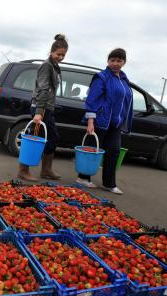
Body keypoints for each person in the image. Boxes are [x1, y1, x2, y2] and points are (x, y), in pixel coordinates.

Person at [76, 48, 133, 195]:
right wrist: (90, 122)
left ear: (124, 62)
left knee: (113, 152)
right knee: (92, 149)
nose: (115, 63)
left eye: (119, 61)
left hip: (115, 123)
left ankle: (109, 183)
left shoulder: (124, 80)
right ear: (108, 61)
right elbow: (92, 99)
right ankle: (83, 178)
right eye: (112, 60)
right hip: (100, 120)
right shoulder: (102, 77)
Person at [17, 34, 68, 181]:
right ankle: (23, 170)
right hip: (41, 107)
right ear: (52, 52)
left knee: (52, 138)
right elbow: (43, 89)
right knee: (33, 138)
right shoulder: (47, 66)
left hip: (47, 108)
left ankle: (46, 170)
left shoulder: (54, 66)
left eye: (63, 55)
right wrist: (39, 112)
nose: (61, 57)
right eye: (59, 54)